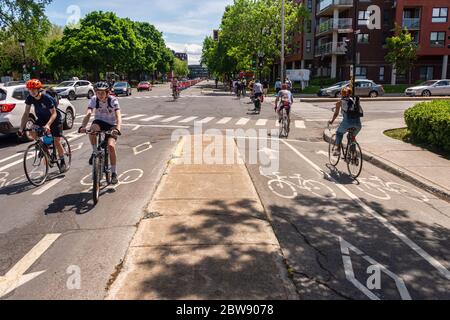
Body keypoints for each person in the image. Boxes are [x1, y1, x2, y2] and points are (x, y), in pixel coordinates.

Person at [18, 79, 67, 173]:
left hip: (54, 119)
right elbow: (26, 113)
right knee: (32, 130)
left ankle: (62, 161)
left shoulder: (46, 98)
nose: (31, 92)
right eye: (30, 90)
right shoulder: (30, 98)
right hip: (42, 118)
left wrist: (48, 125)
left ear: (38, 89)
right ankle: (43, 147)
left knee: (56, 141)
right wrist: (21, 128)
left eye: (34, 89)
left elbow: (54, 114)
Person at [79, 82, 122, 185]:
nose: (100, 95)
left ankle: (114, 173)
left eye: (102, 93)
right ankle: (95, 151)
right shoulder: (94, 99)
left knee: (111, 146)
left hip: (112, 124)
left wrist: (117, 129)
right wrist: (83, 126)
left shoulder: (113, 100)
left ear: (107, 92)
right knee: (92, 129)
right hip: (99, 122)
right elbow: (89, 113)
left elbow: (118, 116)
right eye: (98, 93)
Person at [328, 87, 362, 156]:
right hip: (358, 124)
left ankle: (337, 149)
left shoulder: (339, 102)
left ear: (341, 94)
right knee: (352, 137)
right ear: (350, 94)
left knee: (339, 133)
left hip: (347, 123)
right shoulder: (355, 101)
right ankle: (353, 153)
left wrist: (331, 121)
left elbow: (336, 114)